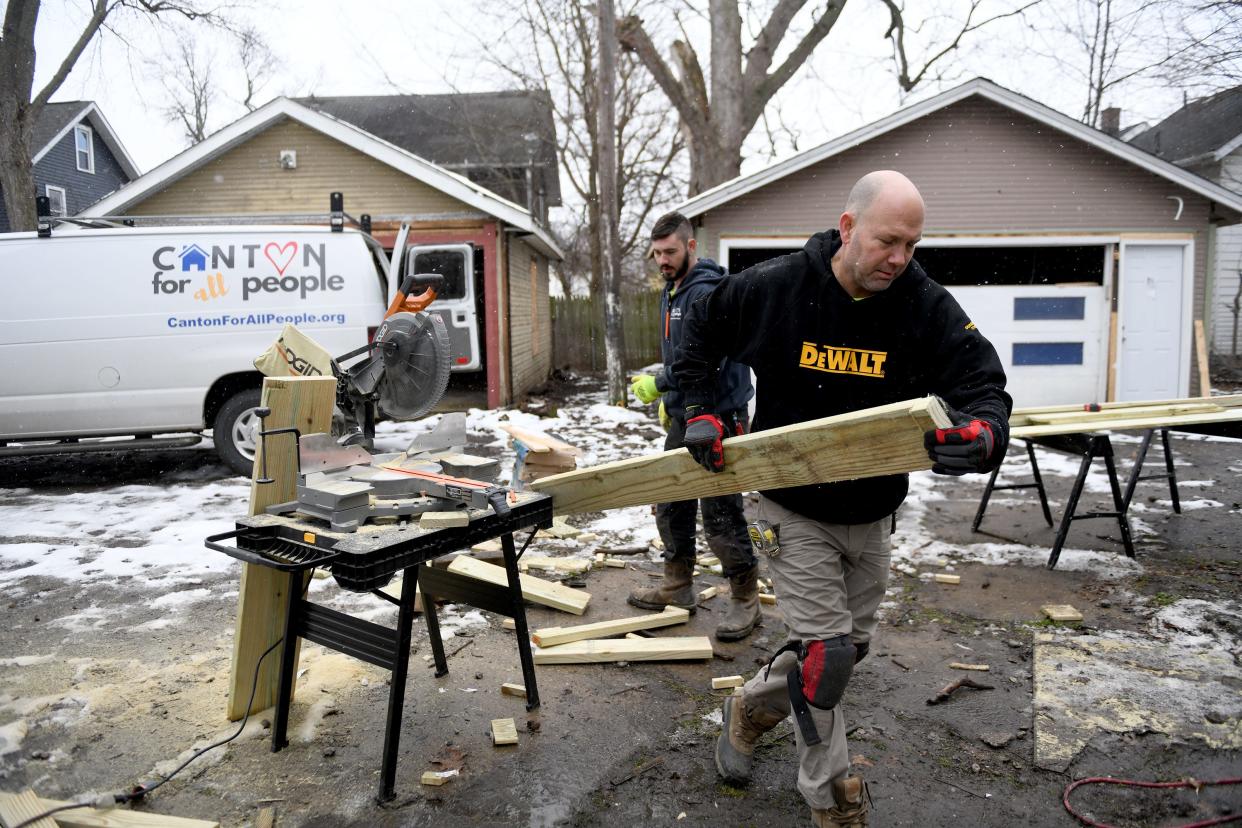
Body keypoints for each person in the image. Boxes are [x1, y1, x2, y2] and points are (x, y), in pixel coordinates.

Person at [672, 171, 1011, 827]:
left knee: (844, 654)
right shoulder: (777, 290)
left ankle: (749, 708)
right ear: (849, 227)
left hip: (872, 513)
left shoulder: (921, 304)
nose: (899, 259)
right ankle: (832, 801)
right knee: (826, 657)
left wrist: (984, 433)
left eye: (911, 245)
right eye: (888, 242)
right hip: (788, 506)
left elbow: (983, 381)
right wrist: (703, 410)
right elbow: (700, 329)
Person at [627, 211, 762, 642]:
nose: (662, 260)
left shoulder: (708, 293)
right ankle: (677, 584)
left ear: (691, 247)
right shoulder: (673, 290)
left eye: (670, 251)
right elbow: (678, 356)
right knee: (671, 499)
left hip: (721, 415)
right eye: (656, 253)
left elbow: (702, 359)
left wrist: (660, 383)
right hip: (687, 411)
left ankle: (746, 599)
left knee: (720, 512)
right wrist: (673, 401)